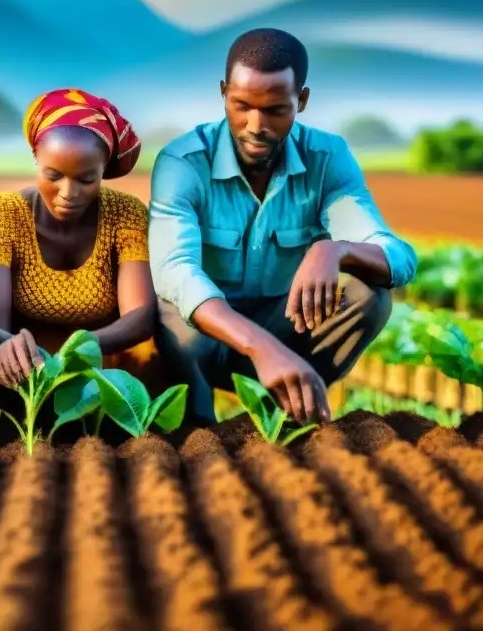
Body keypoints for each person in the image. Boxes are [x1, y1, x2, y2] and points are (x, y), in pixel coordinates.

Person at [149, 28, 417, 427]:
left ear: (302, 101)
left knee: (367, 295)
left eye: (275, 109)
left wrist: (334, 250)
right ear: (223, 93)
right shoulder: (184, 161)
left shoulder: (327, 157)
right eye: (241, 106)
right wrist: (261, 348)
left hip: (287, 323)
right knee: (171, 309)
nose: (255, 125)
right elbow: (175, 271)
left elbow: (398, 256)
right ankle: (194, 428)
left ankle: (294, 416)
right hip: (205, 335)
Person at [0, 88, 157, 443]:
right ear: (36, 159)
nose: (68, 193)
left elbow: (141, 316)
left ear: (104, 171)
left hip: (100, 367)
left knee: (162, 353)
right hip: (24, 371)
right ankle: (25, 424)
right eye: (53, 176)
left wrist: (77, 349)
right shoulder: (1, 215)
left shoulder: (125, 213)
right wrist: (8, 346)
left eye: (86, 179)